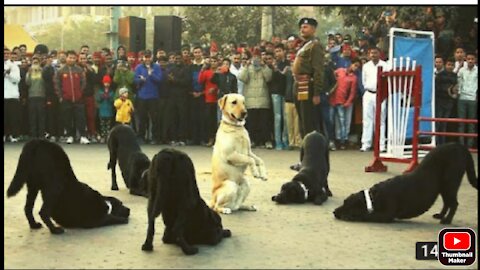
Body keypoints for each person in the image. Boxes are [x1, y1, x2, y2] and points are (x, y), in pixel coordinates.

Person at [292, 17, 325, 137]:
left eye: (305, 27)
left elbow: (318, 70)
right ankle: (305, 145)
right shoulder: (303, 45)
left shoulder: (315, 45)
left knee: (308, 120)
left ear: (313, 29)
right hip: (299, 84)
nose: (302, 29)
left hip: (308, 84)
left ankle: (312, 146)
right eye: (301, 27)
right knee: (301, 118)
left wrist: (316, 92)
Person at [238, 54, 273, 148]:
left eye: (258, 58)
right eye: (254, 58)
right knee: (252, 123)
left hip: (263, 99)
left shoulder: (264, 68)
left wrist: (264, 66)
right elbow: (241, 78)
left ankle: (266, 141)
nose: (256, 60)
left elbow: (269, 77)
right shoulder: (248, 68)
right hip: (250, 100)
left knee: (264, 122)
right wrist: (246, 66)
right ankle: (253, 140)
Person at [55, 50, 89, 144]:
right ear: (66, 58)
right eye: (70, 57)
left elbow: (83, 82)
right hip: (66, 98)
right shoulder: (61, 71)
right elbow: (57, 84)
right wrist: (61, 96)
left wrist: (80, 93)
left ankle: (82, 136)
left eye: (74, 58)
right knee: (67, 118)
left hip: (78, 98)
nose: (72, 59)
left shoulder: (79, 70)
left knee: (80, 117)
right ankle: (70, 135)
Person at [360, 47, 388, 152]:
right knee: (367, 119)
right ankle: (366, 144)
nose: (373, 55)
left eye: (375, 53)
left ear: (379, 54)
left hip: (380, 94)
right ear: (369, 54)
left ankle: (381, 145)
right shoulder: (366, 66)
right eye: (371, 53)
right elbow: (363, 81)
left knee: (380, 120)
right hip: (368, 93)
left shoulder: (385, 65)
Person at [329, 58, 361, 150]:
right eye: (355, 65)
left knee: (342, 121)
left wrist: (348, 102)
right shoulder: (340, 71)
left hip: (342, 101)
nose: (355, 68)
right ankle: (334, 139)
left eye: (357, 67)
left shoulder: (353, 78)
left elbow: (352, 92)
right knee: (332, 121)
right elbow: (331, 77)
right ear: (351, 64)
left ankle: (343, 141)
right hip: (332, 99)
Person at [133, 49, 163, 143]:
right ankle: (141, 137)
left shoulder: (157, 67)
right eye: (145, 57)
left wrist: (151, 74)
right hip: (142, 96)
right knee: (142, 118)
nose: (147, 59)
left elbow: (159, 80)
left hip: (153, 96)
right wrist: (141, 80)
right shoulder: (139, 67)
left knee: (155, 118)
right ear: (143, 57)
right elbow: (135, 80)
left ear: (152, 57)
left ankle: (155, 137)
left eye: (149, 57)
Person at [456, 52, 477, 148]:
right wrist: (459, 93)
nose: (470, 61)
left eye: (472, 59)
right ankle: (461, 145)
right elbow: (458, 83)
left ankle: (469, 146)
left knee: (471, 123)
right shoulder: (461, 70)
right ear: (466, 59)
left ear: (475, 60)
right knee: (461, 123)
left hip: (473, 98)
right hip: (462, 99)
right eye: (469, 59)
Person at [434, 57, 457, 145]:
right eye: (448, 65)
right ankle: (436, 143)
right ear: (445, 65)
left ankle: (442, 144)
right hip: (440, 101)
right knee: (438, 123)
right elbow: (437, 88)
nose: (450, 67)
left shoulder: (455, 76)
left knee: (444, 124)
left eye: (452, 65)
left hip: (449, 102)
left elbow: (455, 88)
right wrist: (447, 90)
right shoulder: (440, 75)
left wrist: (453, 92)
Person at [25, 56, 47, 139]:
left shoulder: (43, 71)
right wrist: (29, 73)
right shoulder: (29, 72)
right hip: (32, 96)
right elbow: (27, 83)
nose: (35, 64)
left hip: (41, 96)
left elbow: (45, 82)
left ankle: (41, 134)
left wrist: (41, 71)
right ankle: (33, 134)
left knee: (41, 116)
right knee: (32, 116)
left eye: (37, 62)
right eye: (34, 62)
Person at [4, 47, 22, 143]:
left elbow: (17, 80)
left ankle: (13, 135)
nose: (6, 55)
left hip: (12, 95)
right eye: (4, 53)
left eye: (7, 54)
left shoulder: (13, 66)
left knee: (13, 117)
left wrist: (8, 74)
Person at [96, 75, 115, 143]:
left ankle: (108, 137)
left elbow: (112, 100)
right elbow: (98, 99)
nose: (106, 84)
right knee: (102, 125)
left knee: (109, 125)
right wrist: (102, 96)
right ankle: (103, 136)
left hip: (109, 110)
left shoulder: (111, 91)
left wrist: (109, 96)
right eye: (105, 83)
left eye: (108, 83)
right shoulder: (100, 90)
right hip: (102, 110)